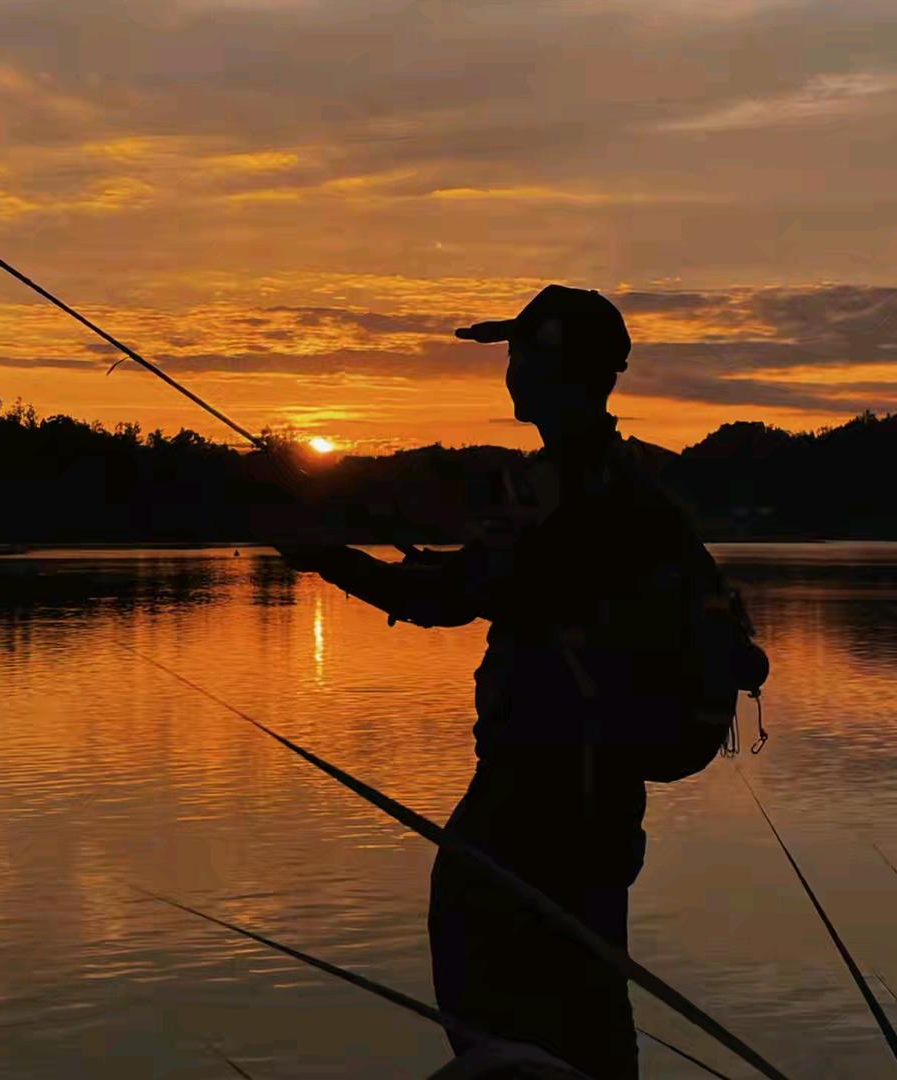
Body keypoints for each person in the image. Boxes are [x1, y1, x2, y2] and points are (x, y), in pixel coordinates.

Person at [271, 284, 718, 1079]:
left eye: (518, 354)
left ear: (551, 367)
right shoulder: (625, 484)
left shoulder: (563, 490)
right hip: (596, 792)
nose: (507, 372)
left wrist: (329, 557)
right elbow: (499, 584)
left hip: (545, 788)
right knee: (585, 998)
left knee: (500, 981)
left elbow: (449, 599)